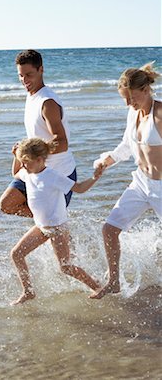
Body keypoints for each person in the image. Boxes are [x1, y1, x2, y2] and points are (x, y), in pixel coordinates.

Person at [90, 62, 162, 300]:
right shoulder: (132, 114)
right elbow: (126, 147)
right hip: (141, 183)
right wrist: (105, 162)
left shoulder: (160, 114)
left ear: (146, 90)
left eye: (131, 97)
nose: (128, 103)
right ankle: (114, 282)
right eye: (124, 98)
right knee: (110, 229)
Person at [10, 137, 103, 305]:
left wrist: (95, 177)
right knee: (16, 254)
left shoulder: (52, 176)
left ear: (39, 160)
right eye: (22, 162)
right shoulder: (27, 172)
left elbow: (79, 188)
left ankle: (97, 287)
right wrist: (15, 158)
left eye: (26, 162)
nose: (23, 166)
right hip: (41, 227)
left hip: (57, 228)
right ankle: (28, 291)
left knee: (65, 267)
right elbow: (15, 173)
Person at [0, 49, 76, 218]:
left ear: (41, 70)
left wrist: (33, 153)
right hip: (36, 169)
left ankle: (55, 224)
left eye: (29, 74)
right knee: (7, 205)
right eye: (20, 76)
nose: (24, 80)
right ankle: (54, 223)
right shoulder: (32, 96)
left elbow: (62, 142)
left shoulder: (47, 102)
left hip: (57, 172)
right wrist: (24, 149)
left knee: (47, 225)